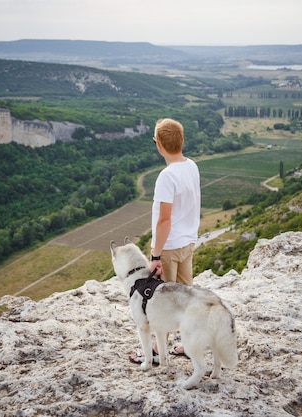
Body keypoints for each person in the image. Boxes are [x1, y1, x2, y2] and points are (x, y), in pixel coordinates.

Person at [129, 117, 201, 364]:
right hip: (188, 243)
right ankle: (191, 345)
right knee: (187, 296)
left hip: (169, 248)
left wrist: (155, 254)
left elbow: (163, 221)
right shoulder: (192, 166)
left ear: (158, 144)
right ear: (181, 141)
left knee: (165, 301)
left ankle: (159, 352)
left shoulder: (166, 177)